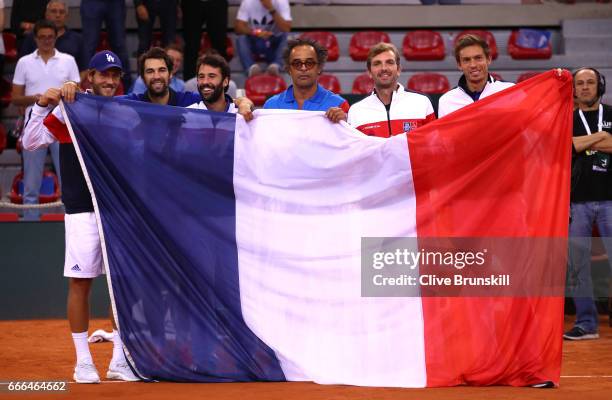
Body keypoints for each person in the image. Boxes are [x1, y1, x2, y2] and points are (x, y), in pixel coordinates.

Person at [21, 50, 140, 383]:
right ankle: (83, 362)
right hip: (82, 209)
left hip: (117, 210)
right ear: (91, 77)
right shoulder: (70, 109)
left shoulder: (126, 112)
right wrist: (44, 103)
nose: (110, 80)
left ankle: (119, 360)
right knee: (81, 283)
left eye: (115, 75)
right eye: (104, 74)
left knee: (122, 286)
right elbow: (30, 142)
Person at [12, 19, 80, 221]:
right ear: (35, 38)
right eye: (42, 37)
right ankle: (30, 221)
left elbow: (76, 92)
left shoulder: (68, 60)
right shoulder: (24, 62)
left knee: (68, 178)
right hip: (35, 122)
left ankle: (71, 219)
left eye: (50, 36)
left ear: (56, 36)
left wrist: (58, 97)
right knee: (31, 182)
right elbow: (15, 97)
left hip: (62, 123)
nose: (46, 40)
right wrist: (38, 99)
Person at [564, 67, 612, 341]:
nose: (584, 87)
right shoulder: (566, 119)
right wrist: (602, 138)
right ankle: (586, 323)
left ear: (599, 85)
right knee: (578, 264)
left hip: (610, 198)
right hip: (577, 201)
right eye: (579, 83)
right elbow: (565, 146)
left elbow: (575, 146)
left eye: (590, 82)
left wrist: (582, 143)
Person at [347, 43, 435, 137]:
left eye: (389, 62)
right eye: (377, 64)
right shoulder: (356, 111)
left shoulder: (422, 102)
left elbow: (433, 144)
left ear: (398, 70)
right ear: (369, 72)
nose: (384, 68)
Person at [263, 37, 348, 123]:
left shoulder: (338, 104)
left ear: (319, 68)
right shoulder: (271, 106)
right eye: (297, 64)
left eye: (309, 63)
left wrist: (344, 121)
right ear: (289, 69)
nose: (303, 68)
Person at [438, 34, 514, 118]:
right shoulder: (447, 100)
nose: (473, 65)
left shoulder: (510, 91)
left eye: (478, 58)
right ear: (459, 65)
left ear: (488, 59)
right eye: (466, 60)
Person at [19, 1, 88, 74]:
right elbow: (23, 67)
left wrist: (71, 85)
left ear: (66, 16)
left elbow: (84, 69)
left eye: (62, 12)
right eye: (53, 11)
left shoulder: (78, 39)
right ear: (46, 15)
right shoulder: (32, 38)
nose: (58, 15)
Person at [121, 47, 200, 106]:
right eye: (150, 71)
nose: (156, 76)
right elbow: (110, 102)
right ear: (143, 77)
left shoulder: (188, 101)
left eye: (162, 70)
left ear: (170, 74)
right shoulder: (134, 103)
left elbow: (211, 99)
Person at [80, 0, 132, 89]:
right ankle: (83, 90)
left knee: (119, 45)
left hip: (115, 3)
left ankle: (128, 91)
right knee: (89, 45)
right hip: (91, 2)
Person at [235, 0, 291, 77]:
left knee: (287, 37)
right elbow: (238, 28)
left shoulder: (281, 1)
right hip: (256, 41)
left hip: (273, 43)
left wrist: (271, 8)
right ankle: (251, 68)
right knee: (241, 38)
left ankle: (276, 66)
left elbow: (286, 28)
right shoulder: (248, 2)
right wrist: (255, 32)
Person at [181, 0, 228, 81]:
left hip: (217, 3)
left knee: (219, 45)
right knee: (191, 46)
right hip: (192, 4)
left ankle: (223, 79)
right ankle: (189, 83)